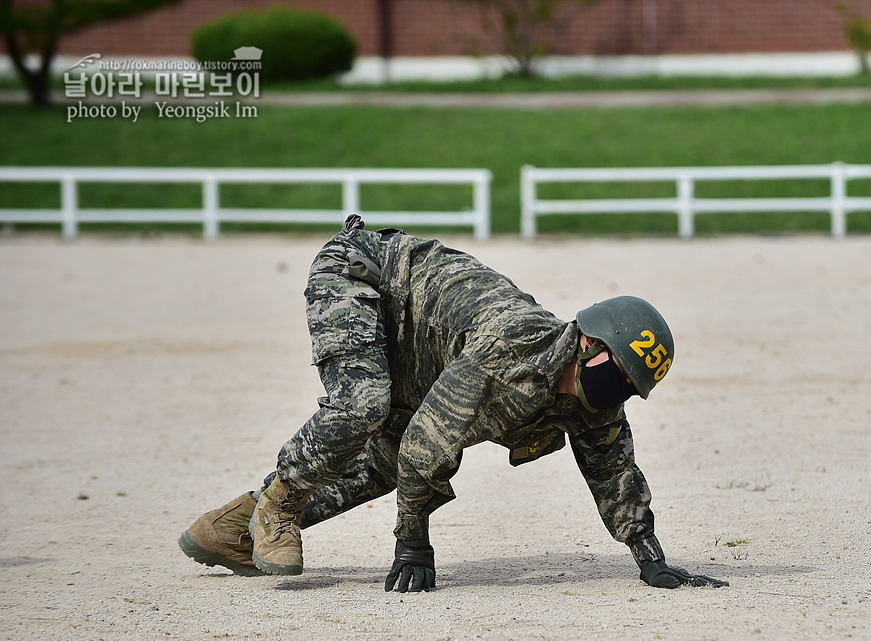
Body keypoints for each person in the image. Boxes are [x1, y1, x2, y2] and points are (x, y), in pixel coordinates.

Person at [178, 214, 727, 592]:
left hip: (420, 349)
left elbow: (614, 468)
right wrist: (412, 541)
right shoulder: (506, 350)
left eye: (632, 386)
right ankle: (278, 499)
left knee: (384, 467)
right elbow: (426, 445)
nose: (621, 394)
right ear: (587, 344)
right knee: (363, 405)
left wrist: (649, 556)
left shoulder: (591, 399)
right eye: (620, 375)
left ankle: (227, 529)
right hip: (366, 273)